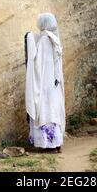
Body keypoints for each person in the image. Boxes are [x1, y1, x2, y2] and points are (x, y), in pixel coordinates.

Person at [25, 13, 65, 153]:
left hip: (43, 84)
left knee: (45, 112)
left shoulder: (43, 41)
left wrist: (30, 40)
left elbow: (38, 65)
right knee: (53, 112)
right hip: (53, 86)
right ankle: (57, 144)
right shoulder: (54, 39)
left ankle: (49, 146)